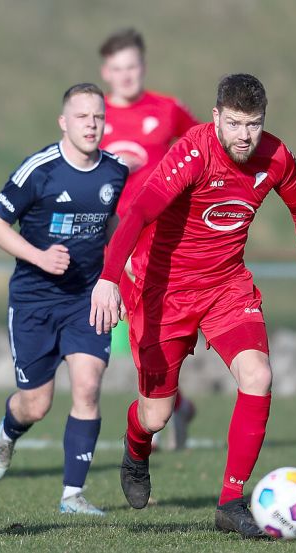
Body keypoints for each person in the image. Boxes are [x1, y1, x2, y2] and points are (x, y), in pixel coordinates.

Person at [89, 74, 296, 538]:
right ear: (216, 117)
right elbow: (139, 212)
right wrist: (108, 278)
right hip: (163, 290)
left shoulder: (275, 157)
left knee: (259, 375)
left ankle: (231, 500)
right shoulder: (193, 152)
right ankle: (135, 446)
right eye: (233, 124)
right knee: (156, 414)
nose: (244, 136)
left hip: (226, 287)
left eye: (252, 124)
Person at [0, 83, 127, 516]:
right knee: (36, 404)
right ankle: (9, 432)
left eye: (98, 117)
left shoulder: (115, 172)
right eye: (82, 117)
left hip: (86, 298)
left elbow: (117, 224)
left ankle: (72, 495)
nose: (92, 125)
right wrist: (39, 257)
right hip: (34, 301)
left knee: (88, 385)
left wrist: (117, 275)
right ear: (64, 122)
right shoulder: (39, 170)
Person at [98, 28, 199, 450]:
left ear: (143, 66)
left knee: (154, 325)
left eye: (132, 66)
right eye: (117, 68)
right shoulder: (94, 114)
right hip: (112, 236)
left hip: (161, 237)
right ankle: (175, 405)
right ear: (105, 72)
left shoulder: (167, 109)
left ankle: (160, 409)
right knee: (132, 327)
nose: (126, 75)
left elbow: (204, 146)